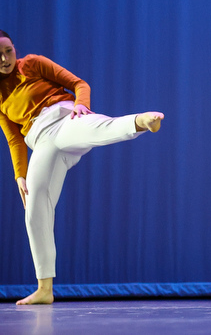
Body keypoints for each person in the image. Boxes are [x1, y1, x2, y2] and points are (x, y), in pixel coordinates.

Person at [0, 30, 164, 305]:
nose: (5, 58)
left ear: (15, 49)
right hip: (41, 142)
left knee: (92, 129)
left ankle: (140, 121)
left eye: (8, 50)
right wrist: (19, 174)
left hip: (65, 119)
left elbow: (79, 83)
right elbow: (14, 138)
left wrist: (81, 106)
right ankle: (44, 289)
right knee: (35, 208)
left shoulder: (32, 63)